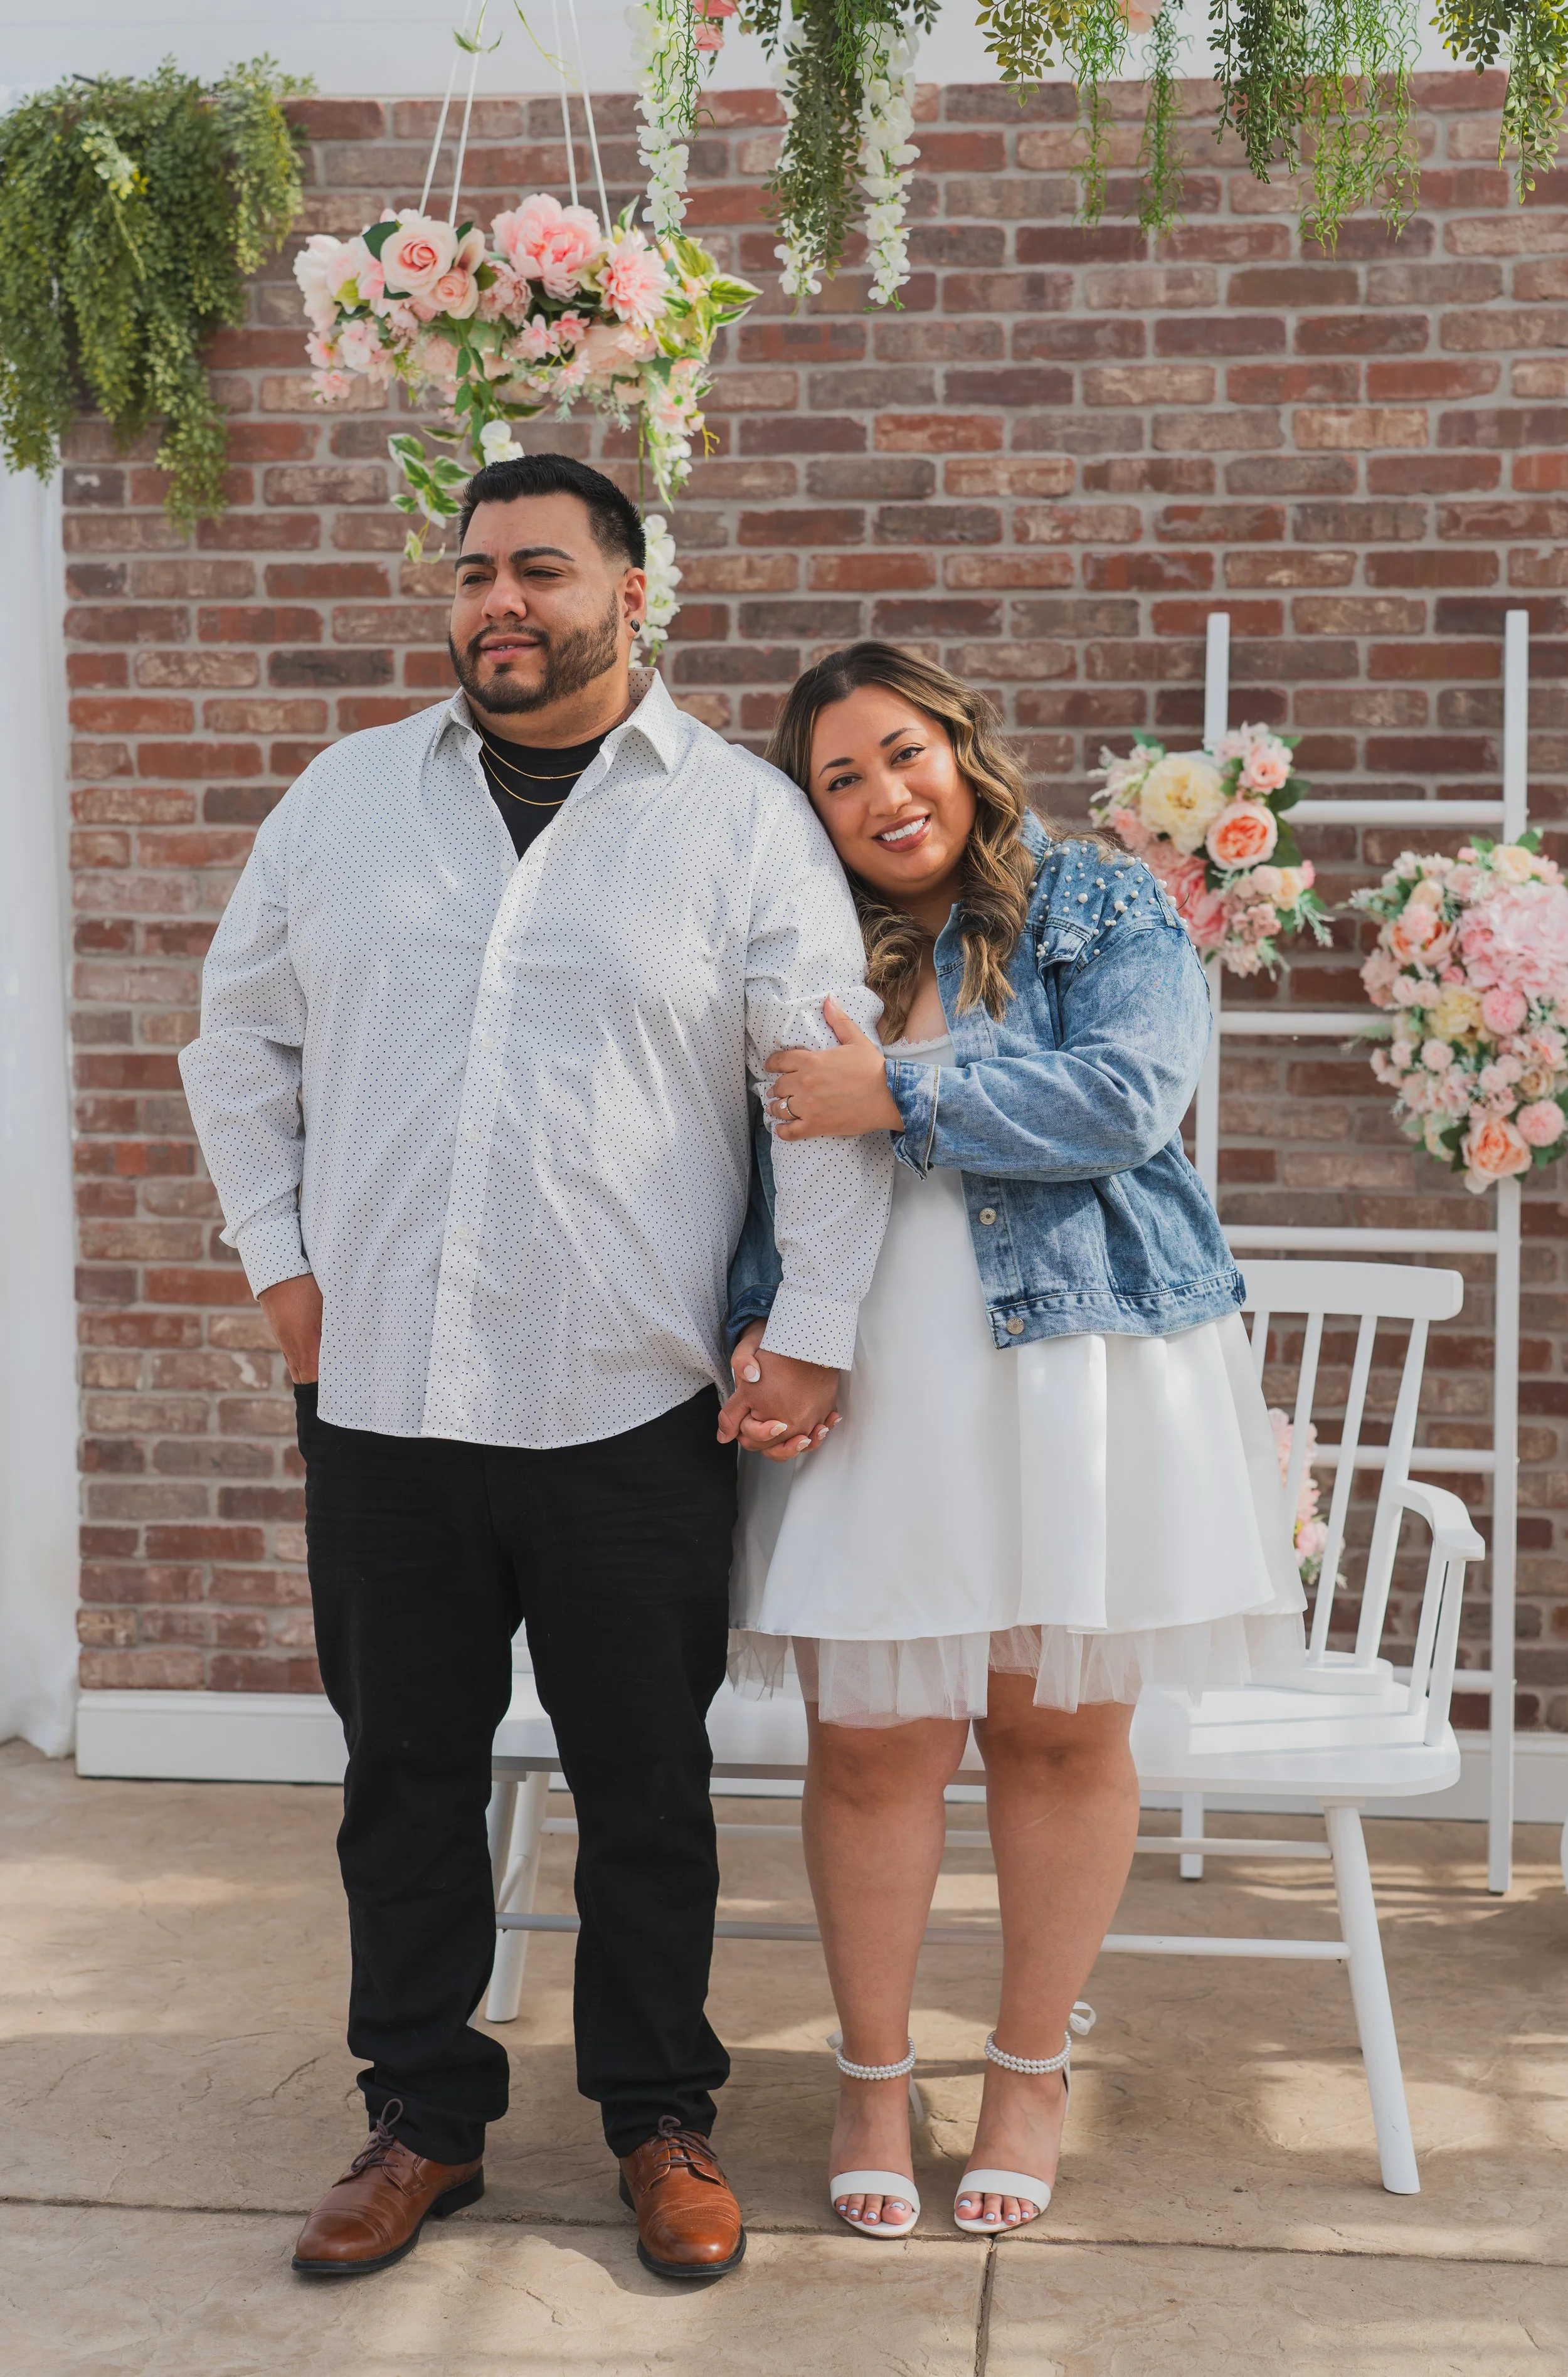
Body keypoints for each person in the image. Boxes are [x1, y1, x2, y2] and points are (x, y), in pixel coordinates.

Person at [179, 455, 891, 2283]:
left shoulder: (739, 821)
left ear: (631, 595)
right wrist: (280, 1265)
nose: (498, 599)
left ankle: (659, 2116)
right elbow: (237, 1041)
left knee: (644, 1786)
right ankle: (420, 2115)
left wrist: (816, 1328)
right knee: (402, 1779)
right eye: (474, 568)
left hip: (625, 1398)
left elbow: (817, 1093)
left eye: (542, 569)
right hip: (384, 1403)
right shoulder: (343, 800)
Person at [719, 642, 1303, 2241]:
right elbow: (755, 1161)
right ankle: (868, 2074)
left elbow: (1127, 1095)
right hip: (876, 1370)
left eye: (902, 752)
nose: (882, 795)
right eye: (839, 777)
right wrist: (763, 1319)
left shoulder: (1094, 900)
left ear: (960, 746)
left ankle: (1028, 2071)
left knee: (1053, 1734)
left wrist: (898, 1095)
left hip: (1077, 1362)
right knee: (869, 1740)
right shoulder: (800, 935)